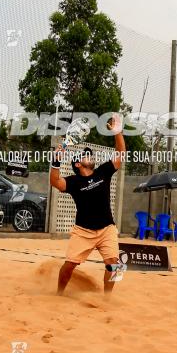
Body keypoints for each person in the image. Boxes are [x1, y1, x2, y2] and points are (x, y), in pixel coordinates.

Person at [50, 114, 125, 295]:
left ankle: (107, 298)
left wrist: (118, 132)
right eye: (86, 155)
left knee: (114, 265)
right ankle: (59, 294)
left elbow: (121, 154)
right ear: (78, 163)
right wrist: (56, 161)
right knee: (68, 267)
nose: (90, 156)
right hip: (83, 231)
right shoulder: (74, 181)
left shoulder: (103, 172)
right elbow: (55, 182)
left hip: (107, 228)